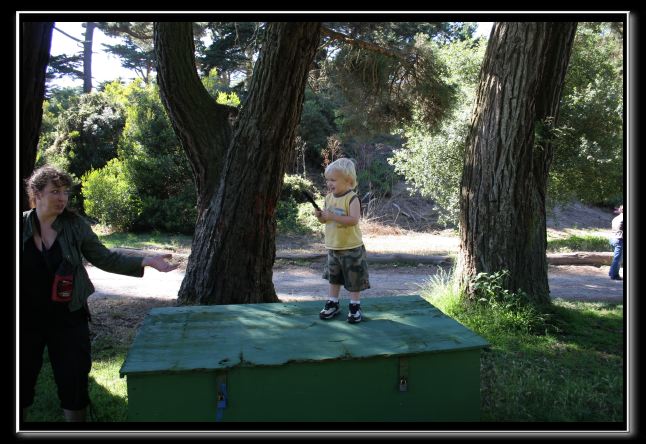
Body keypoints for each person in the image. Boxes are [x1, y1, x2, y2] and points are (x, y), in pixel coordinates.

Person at [20, 165, 179, 422]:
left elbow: (104, 257)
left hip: (69, 317)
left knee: (74, 383)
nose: (62, 198)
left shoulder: (75, 226)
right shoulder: (21, 226)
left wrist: (145, 260)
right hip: (25, 320)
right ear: (37, 194)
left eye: (65, 192)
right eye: (55, 191)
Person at [314, 158, 370, 324]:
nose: (329, 183)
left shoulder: (352, 198)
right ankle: (333, 302)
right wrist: (320, 216)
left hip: (351, 247)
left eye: (333, 180)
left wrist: (332, 216)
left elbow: (353, 220)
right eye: (328, 180)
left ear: (348, 181)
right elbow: (325, 220)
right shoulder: (328, 198)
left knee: (354, 279)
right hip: (333, 246)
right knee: (334, 277)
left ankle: (354, 306)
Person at [608, 204, 623, 280]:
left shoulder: (616, 218)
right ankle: (614, 275)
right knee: (618, 259)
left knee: (616, 258)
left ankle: (611, 272)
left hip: (613, 239)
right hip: (619, 239)